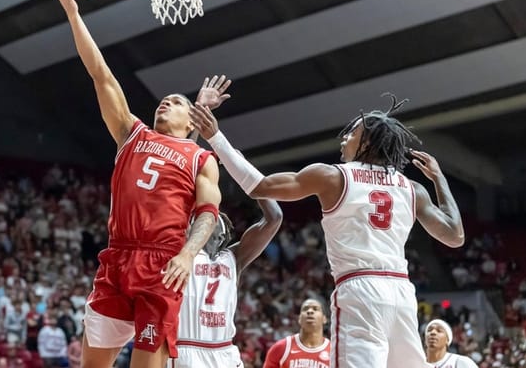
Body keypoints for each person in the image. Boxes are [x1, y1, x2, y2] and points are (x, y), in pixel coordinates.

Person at [189, 95, 465, 368]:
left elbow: (259, 187)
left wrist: (217, 139)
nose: (343, 139)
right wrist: (439, 179)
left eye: (352, 133)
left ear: (366, 142)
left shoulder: (333, 176)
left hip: (360, 290)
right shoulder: (413, 189)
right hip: (402, 294)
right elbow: (455, 236)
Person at [50, 0, 222, 368]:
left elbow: (208, 212)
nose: (165, 103)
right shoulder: (132, 134)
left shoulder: (200, 157)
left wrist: (187, 254)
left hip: (161, 265)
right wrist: (73, 13)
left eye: (176, 102)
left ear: (190, 117)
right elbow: (101, 73)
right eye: (163, 100)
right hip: (117, 259)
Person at [169, 76, 282, 368]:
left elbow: (275, 217)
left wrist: (237, 165)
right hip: (184, 350)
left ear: (226, 232)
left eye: (219, 218)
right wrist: (198, 110)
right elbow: (180, 170)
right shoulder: (182, 246)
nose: (212, 219)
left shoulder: (235, 257)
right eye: (207, 217)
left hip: (224, 353)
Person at [263, 298, 331, 368]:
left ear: (324, 319)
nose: (310, 311)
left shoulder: (334, 352)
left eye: (315, 309)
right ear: (299, 319)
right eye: (305, 309)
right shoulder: (280, 348)